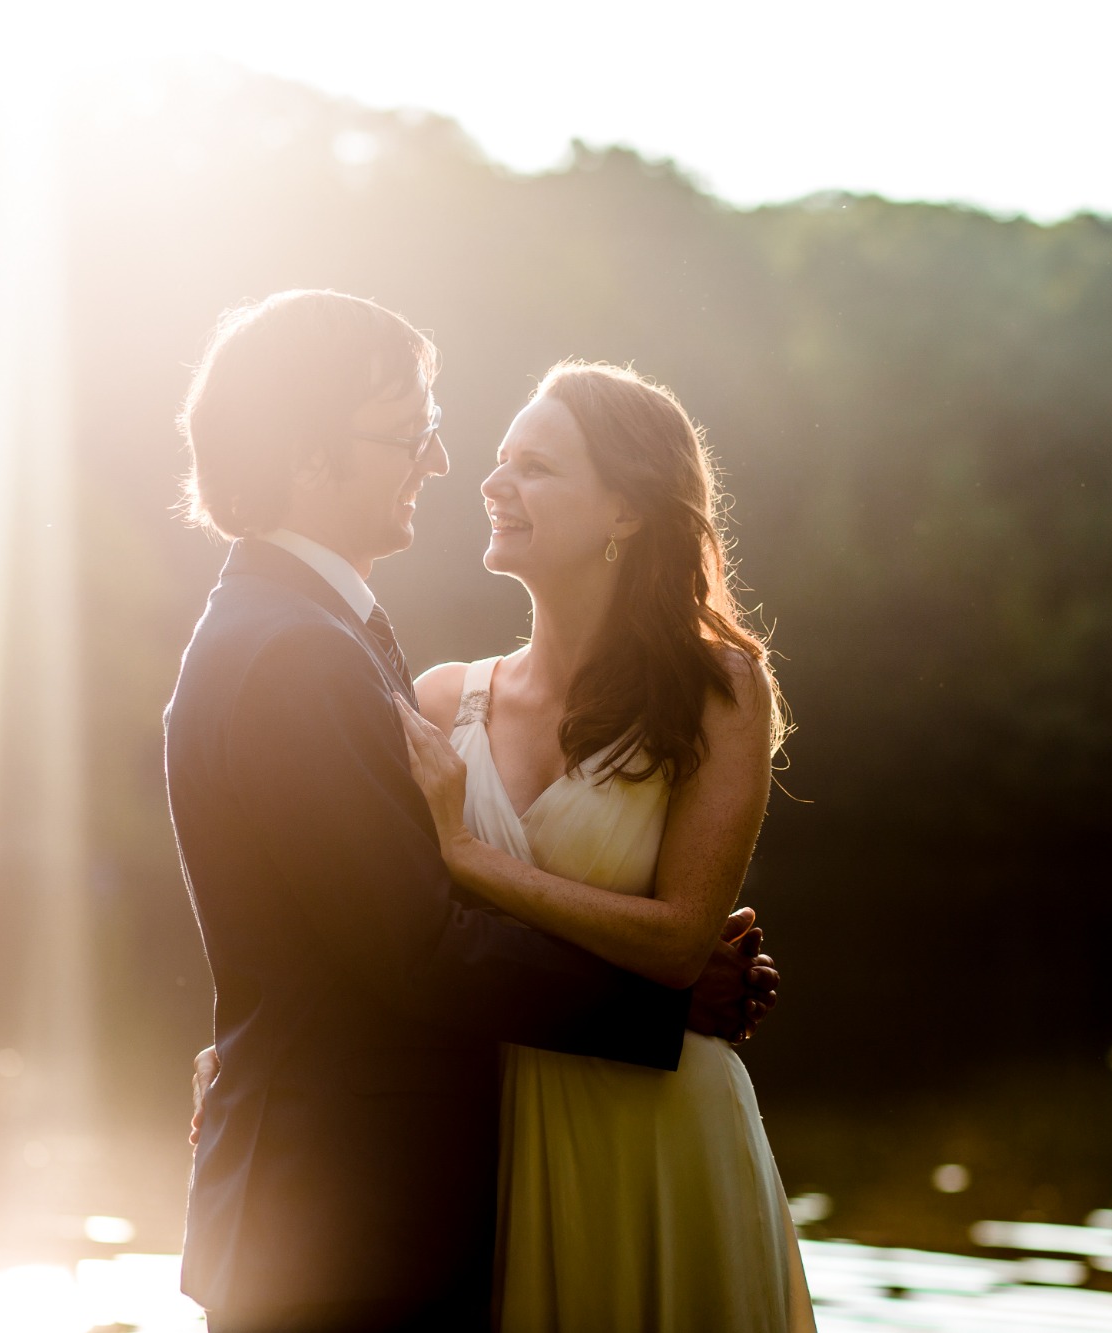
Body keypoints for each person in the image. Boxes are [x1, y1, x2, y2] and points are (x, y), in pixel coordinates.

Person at [164, 291, 780, 1333]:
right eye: (412, 433)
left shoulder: (318, 631)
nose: (443, 464)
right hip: (344, 1225)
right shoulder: (297, 651)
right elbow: (415, 947)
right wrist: (664, 1005)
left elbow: (354, 910)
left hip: (392, 1204)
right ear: (312, 458)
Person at [395, 361, 815, 1331]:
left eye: (534, 465)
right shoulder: (434, 701)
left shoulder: (720, 689)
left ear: (623, 509)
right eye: (499, 461)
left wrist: (467, 856)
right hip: (480, 1134)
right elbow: (375, 922)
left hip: (659, 1137)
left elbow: (678, 941)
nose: (493, 483)